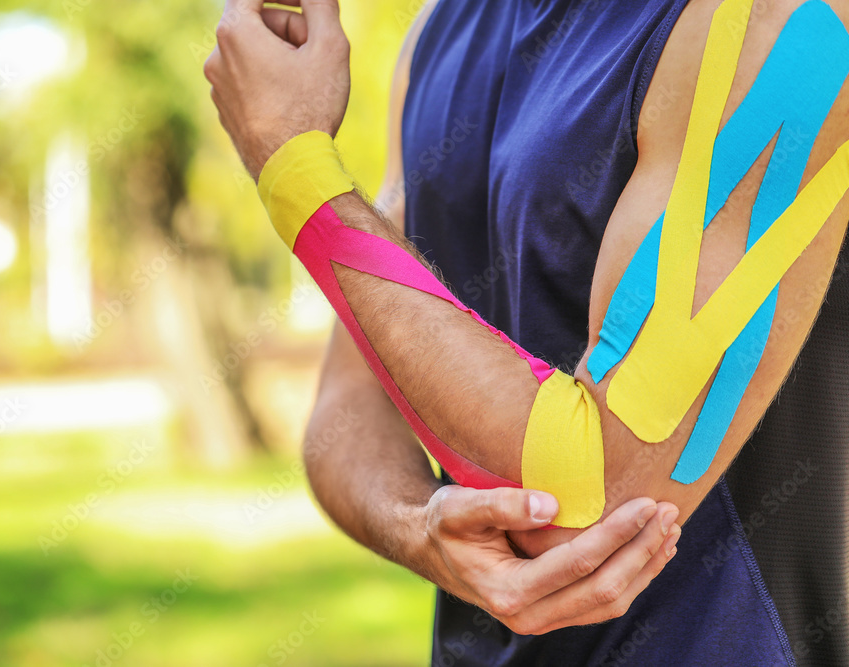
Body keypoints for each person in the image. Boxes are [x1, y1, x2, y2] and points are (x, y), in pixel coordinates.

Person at [204, 0, 849, 664]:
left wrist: (295, 166)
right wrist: (421, 526)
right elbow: (348, 406)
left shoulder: (781, 23)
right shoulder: (441, 28)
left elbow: (589, 495)